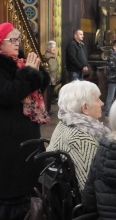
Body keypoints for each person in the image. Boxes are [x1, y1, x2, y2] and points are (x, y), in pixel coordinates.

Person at [0, 22, 50, 219]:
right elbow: (7, 94)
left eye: (18, 39)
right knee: (12, 194)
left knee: (29, 188)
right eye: (12, 40)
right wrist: (29, 73)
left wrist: (36, 74)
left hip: (25, 136)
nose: (17, 43)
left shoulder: (19, 63)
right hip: (8, 139)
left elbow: (35, 89)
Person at [46, 80, 109, 191]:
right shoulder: (83, 139)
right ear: (85, 108)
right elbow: (88, 190)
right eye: (98, 99)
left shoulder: (64, 122)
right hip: (78, 203)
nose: (102, 103)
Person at [44, 40, 60, 113]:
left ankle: (49, 109)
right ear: (48, 48)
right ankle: (47, 109)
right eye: (52, 47)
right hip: (50, 78)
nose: (54, 49)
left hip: (53, 78)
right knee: (48, 95)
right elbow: (52, 68)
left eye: (55, 47)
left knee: (51, 95)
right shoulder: (48, 57)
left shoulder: (53, 56)